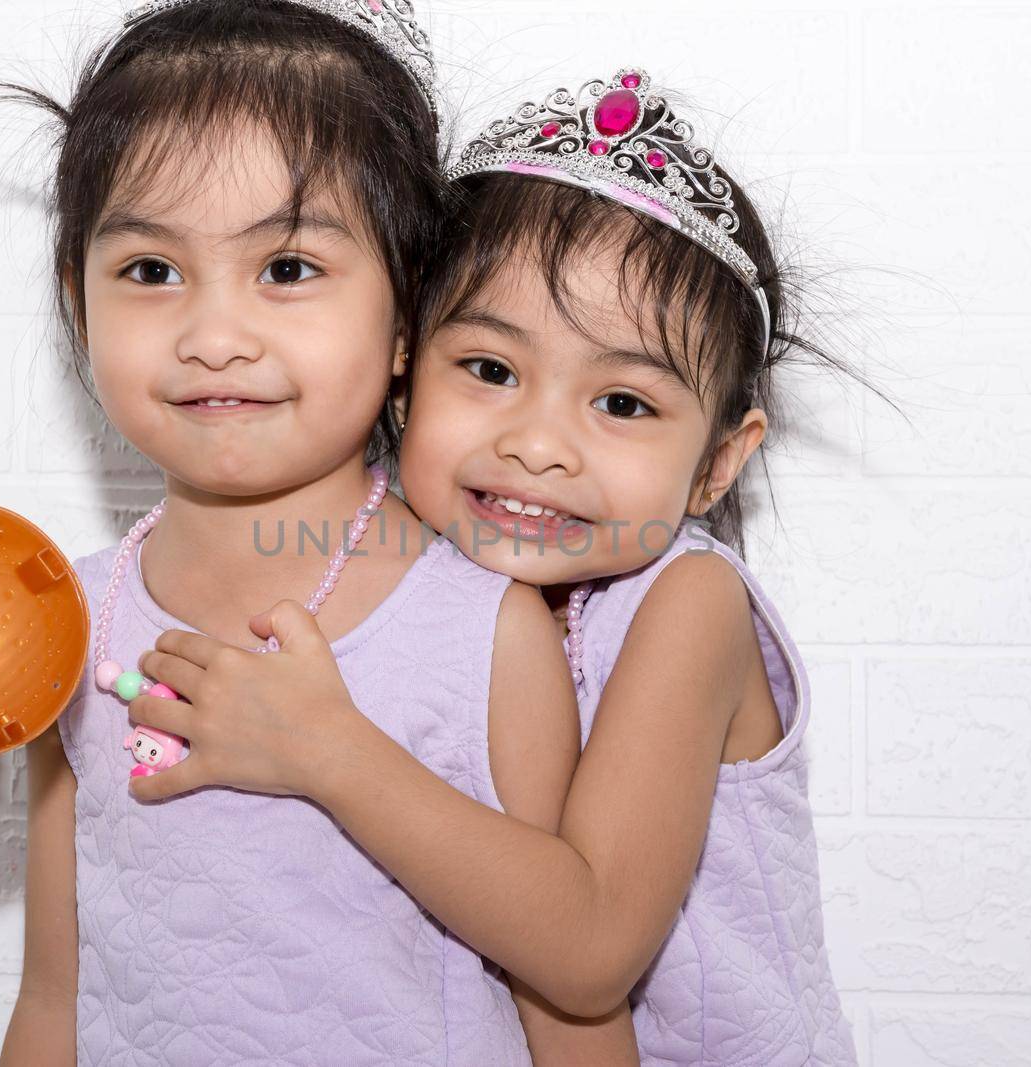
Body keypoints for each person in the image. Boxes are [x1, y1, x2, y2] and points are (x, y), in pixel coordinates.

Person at [128, 68, 861, 1065]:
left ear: (720, 463)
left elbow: (590, 945)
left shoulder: (688, 600)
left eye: (623, 404)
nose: (537, 442)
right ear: (403, 365)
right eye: (489, 370)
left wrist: (327, 749)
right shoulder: (418, 583)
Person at [0, 7, 639, 1064]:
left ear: (404, 319)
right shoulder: (70, 615)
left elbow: (573, 1007)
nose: (212, 336)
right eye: (150, 270)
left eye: (287, 269)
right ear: (78, 302)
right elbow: (54, 995)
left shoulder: (480, 628)